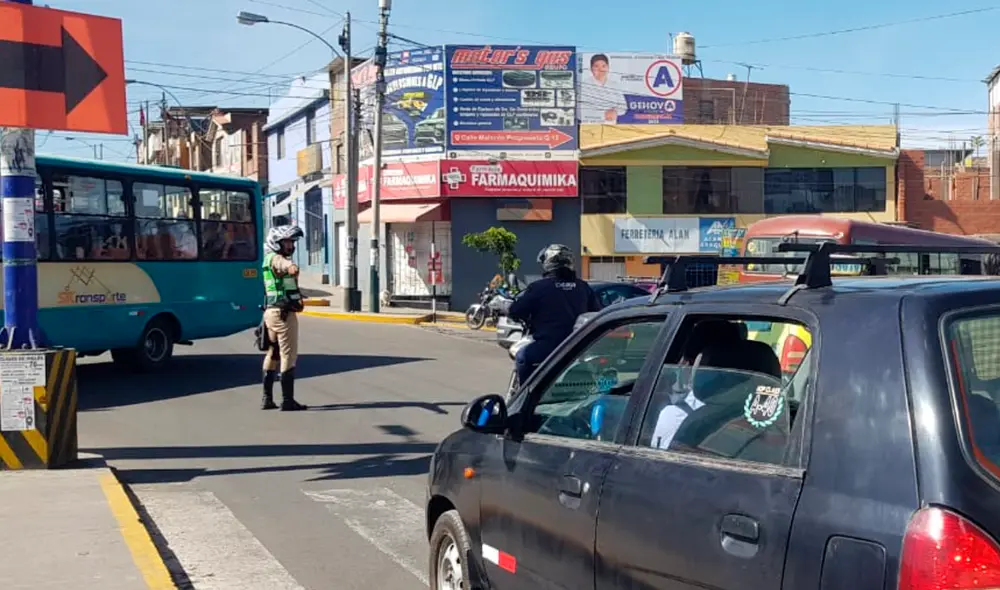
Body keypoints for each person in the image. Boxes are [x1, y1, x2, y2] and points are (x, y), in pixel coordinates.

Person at [507, 244, 601, 386]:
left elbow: (515, 310)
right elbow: (596, 312)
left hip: (549, 345)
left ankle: (526, 395)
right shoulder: (583, 286)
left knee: (522, 357)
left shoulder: (539, 287)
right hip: (578, 345)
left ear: (548, 262)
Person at [260, 225, 308, 411]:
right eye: (287, 242)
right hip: (283, 313)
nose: (291, 246)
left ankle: (267, 398)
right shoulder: (277, 259)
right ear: (276, 243)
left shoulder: (267, 260)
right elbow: (285, 265)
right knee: (288, 355)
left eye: (292, 242)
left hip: (271, 312)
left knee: (273, 353)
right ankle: (287, 400)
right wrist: (293, 267)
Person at [580, 53, 628, 123]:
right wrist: (604, 115)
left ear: (608, 68)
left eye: (603, 66)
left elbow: (623, 107)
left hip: (611, 127)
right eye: (596, 66)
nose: (600, 70)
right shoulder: (584, 85)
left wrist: (615, 112)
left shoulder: (614, 85)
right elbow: (581, 112)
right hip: (590, 128)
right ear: (591, 69)